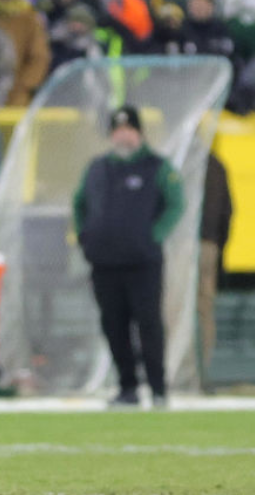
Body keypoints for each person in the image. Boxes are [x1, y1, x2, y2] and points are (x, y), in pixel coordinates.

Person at [72, 106, 184, 408]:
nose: (123, 135)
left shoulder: (157, 167)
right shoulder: (97, 167)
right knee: (114, 326)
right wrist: (85, 235)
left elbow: (176, 204)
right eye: (117, 130)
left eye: (128, 129)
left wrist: (154, 235)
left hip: (142, 262)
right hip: (104, 262)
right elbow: (79, 203)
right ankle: (127, 387)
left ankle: (158, 388)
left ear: (139, 132)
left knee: (148, 324)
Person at [198, 152, 232, 392]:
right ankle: (201, 371)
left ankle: (177, 369)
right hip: (208, 242)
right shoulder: (215, 164)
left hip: (185, 244)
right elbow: (228, 212)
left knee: (174, 307)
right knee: (204, 310)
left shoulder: (175, 158)